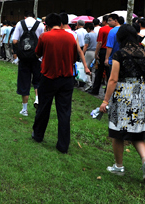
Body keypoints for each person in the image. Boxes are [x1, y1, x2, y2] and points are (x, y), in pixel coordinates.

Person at [99, 24, 145, 182]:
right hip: (140, 91)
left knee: (118, 130)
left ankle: (119, 166)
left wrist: (105, 100)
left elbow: (113, 79)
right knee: (137, 128)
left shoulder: (119, 54)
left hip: (123, 91)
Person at [32, 13, 90, 154]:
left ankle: (38, 135)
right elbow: (75, 54)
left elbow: (37, 54)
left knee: (43, 108)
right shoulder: (70, 37)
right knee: (64, 112)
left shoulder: (45, 37)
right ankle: (63, 145)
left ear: (47, 25)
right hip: (67, 78)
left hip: (48, 76)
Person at [13, 11, 45, 116]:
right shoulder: (40, 24)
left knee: (24, 82)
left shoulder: (20, 24)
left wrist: (17, 53)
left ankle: (24, 109)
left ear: (25, 16)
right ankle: (37, 99)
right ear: (35, 17)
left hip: (24, 59)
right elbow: (43, 41)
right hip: (37, 58)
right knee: (37, 81)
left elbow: (14, 41)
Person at [91, 15, 112, 96]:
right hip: (110, 50)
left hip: (103, 51)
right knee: (109, 72)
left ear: (104, 21)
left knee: (99, 71)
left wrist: (96, 53)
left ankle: (95, 90)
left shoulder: (102, 29)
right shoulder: (112, 29)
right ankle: (108, 91)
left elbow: (99, 42)